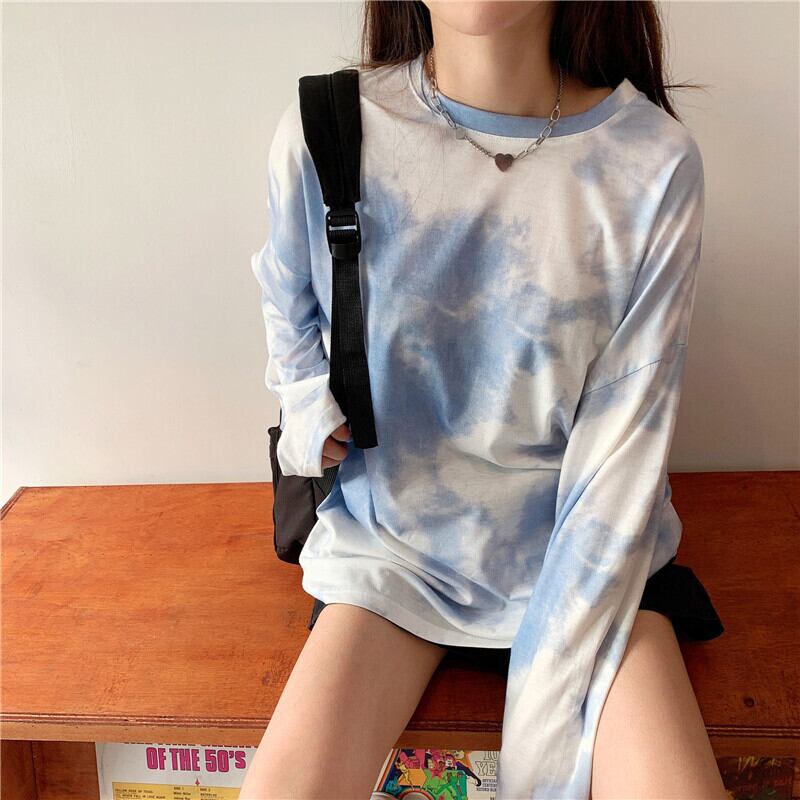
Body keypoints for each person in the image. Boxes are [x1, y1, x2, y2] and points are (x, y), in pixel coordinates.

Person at [243, 2, 727, 798]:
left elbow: (625, 444)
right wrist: (305, 407)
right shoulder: (327, 130)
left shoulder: (651, 164)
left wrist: (537, 768)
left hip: (591, 553)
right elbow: (284, 293)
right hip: (393, 556)